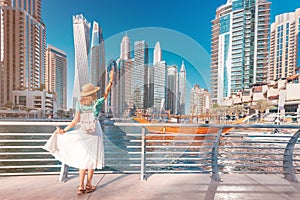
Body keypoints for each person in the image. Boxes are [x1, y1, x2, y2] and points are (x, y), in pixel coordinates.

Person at [43, 69, 114, 195]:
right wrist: (111, 80)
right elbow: (106, 93)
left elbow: (75, 120)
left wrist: (64, 130)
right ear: (93, 94)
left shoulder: (79, 104)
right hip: (95, 132)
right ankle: (89, 184)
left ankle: (80, 186)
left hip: (83, 132)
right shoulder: (96, 103)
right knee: (92, 160)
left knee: (83, 160)